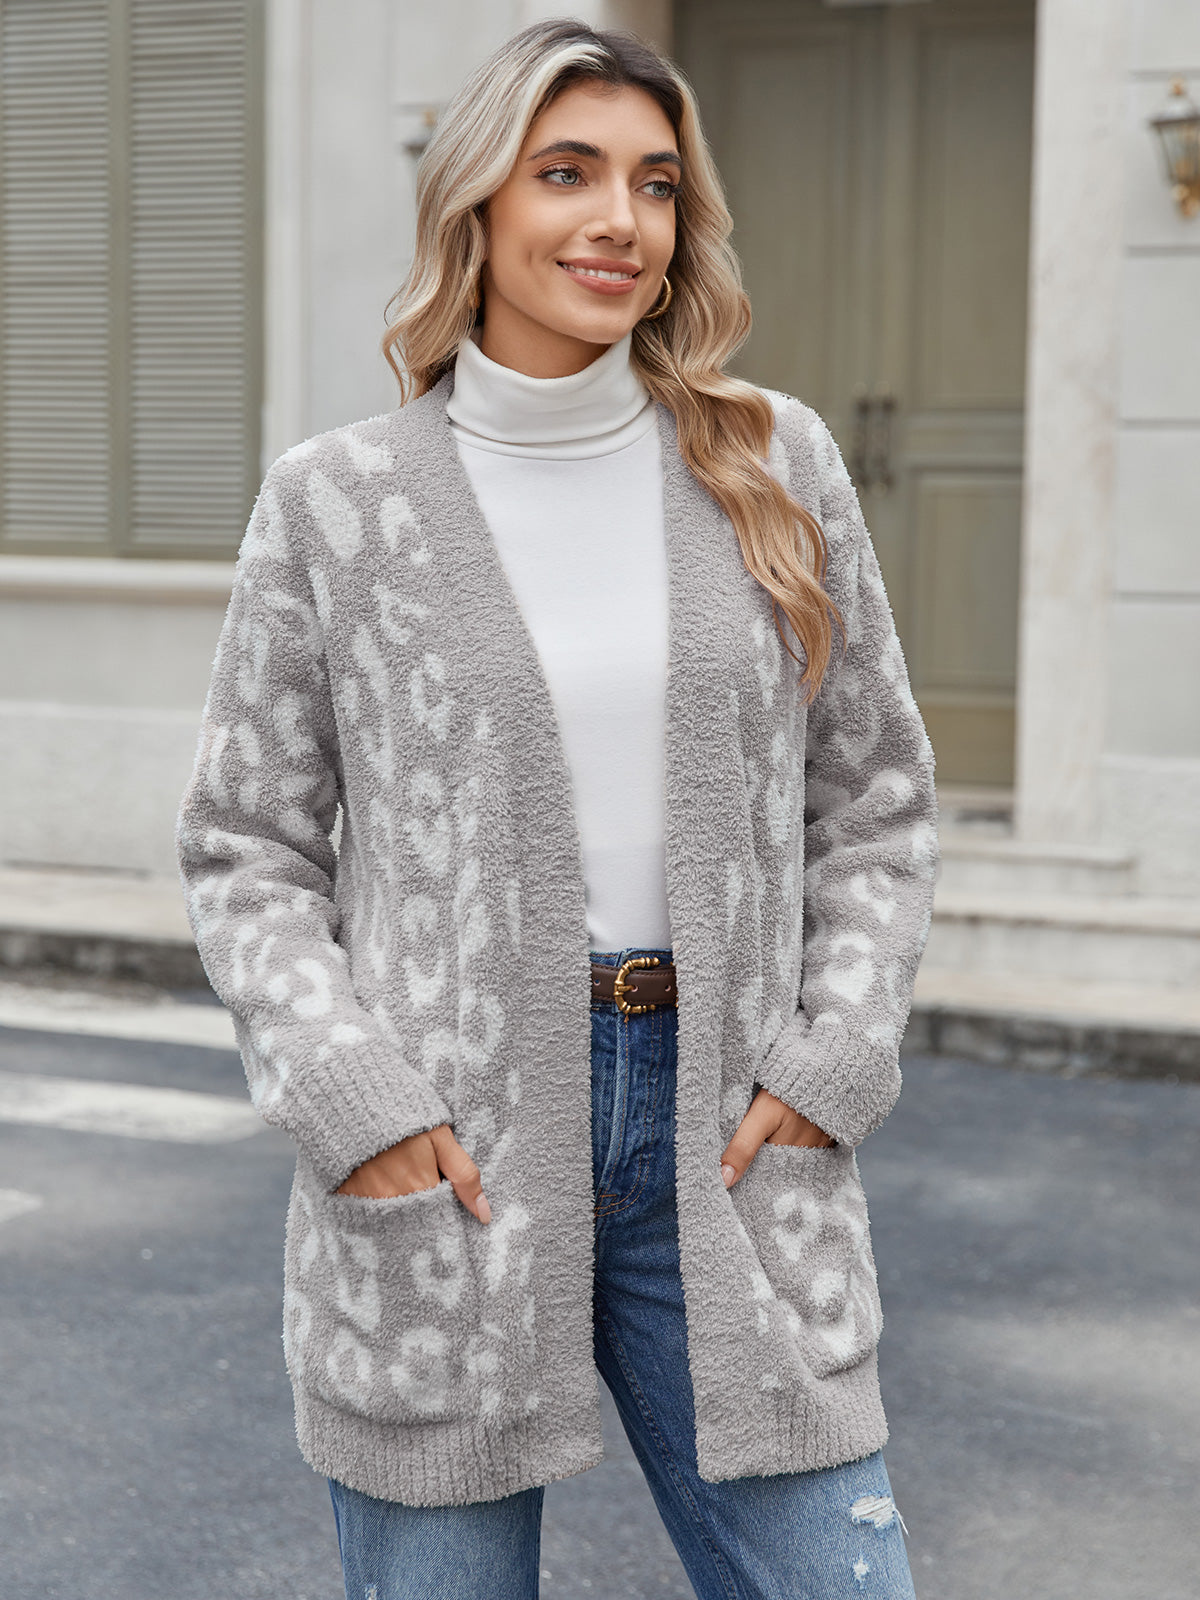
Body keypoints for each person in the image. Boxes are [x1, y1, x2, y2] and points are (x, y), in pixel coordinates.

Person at [175, 18, 938, 1599]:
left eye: (655, 185)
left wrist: (837, 1050)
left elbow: (873, 796)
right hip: (447, 1151)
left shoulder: (770, 463)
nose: (620, 220)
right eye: (568, 173)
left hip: (728, 1137)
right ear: (477, 204)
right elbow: (246, 846)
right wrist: (356, 1103)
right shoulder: (338, 502)